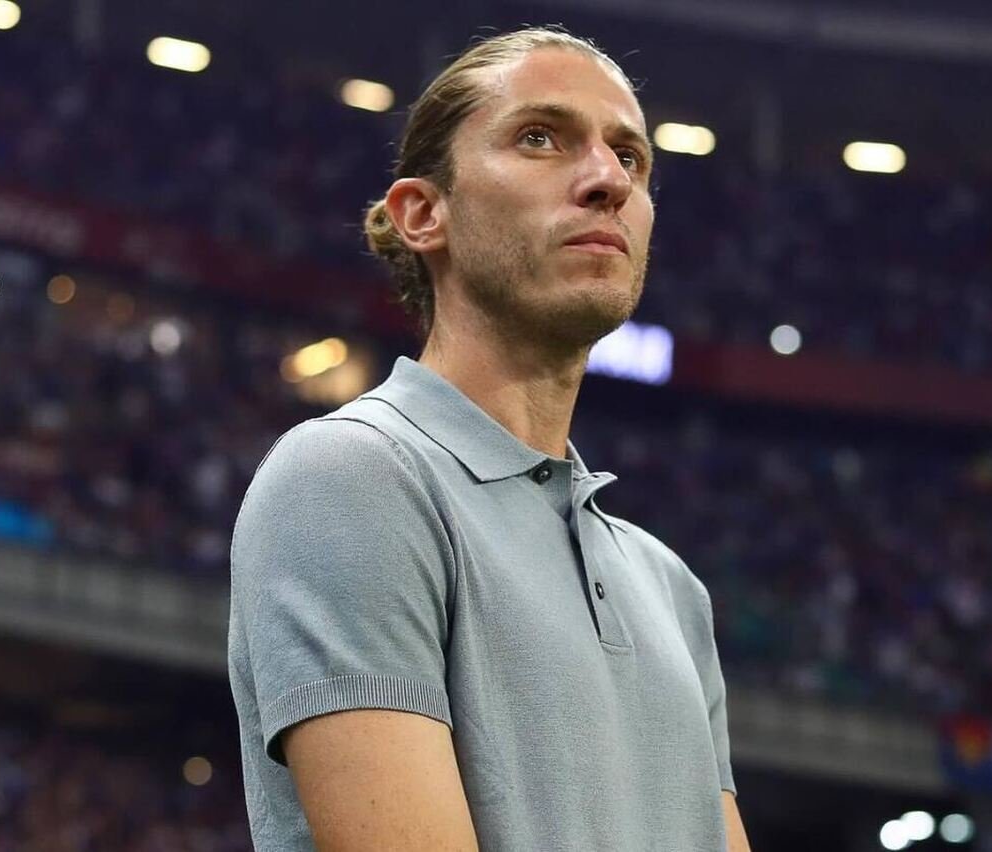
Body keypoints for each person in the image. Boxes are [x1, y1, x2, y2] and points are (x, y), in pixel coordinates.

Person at [228, 26, 753, 851]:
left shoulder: (672, 590)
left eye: (631, 157)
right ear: (423, 214)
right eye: (540, 137)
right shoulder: (350, 476)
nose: (607, 180)